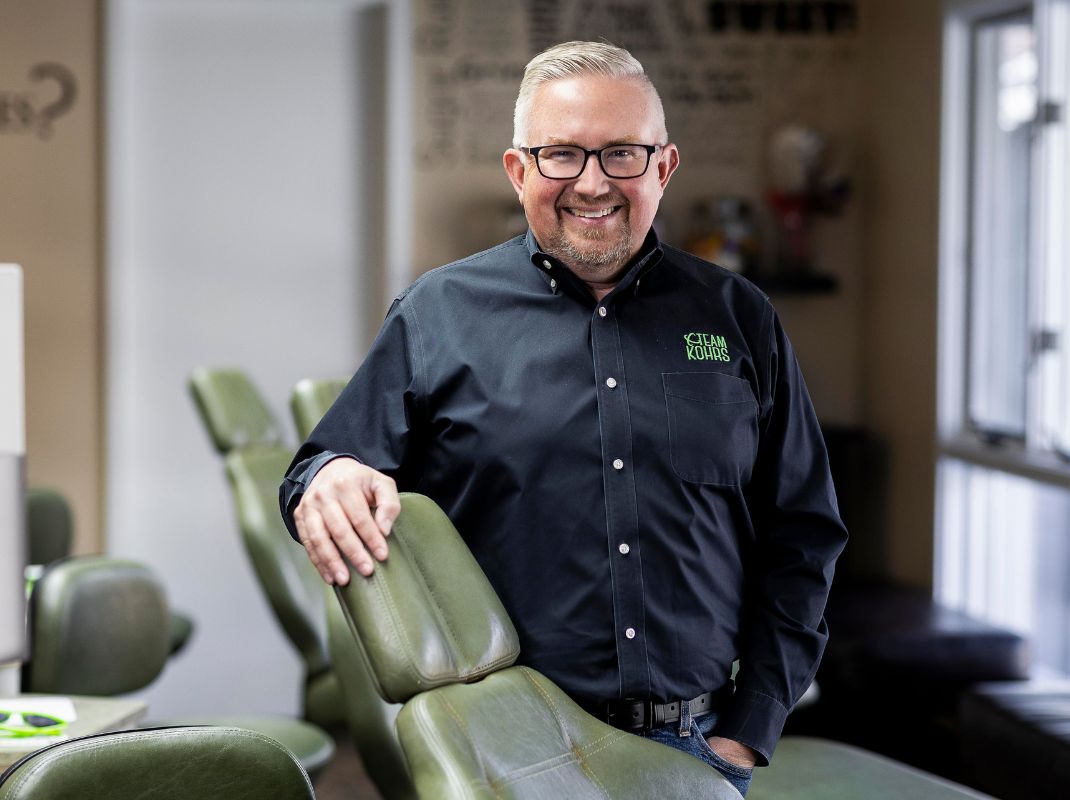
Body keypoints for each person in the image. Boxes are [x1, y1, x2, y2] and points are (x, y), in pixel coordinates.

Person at [279, 40, 846, 796]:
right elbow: (320, 467)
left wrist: (749, 730)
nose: (591, 183)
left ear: (663, 167)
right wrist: (332, 473)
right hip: (507, 754)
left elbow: (804, 533)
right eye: (561, 156)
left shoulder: (738, 317)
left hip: (695, 753)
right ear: (519, 171)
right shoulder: (439, 314)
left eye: (621, 155)